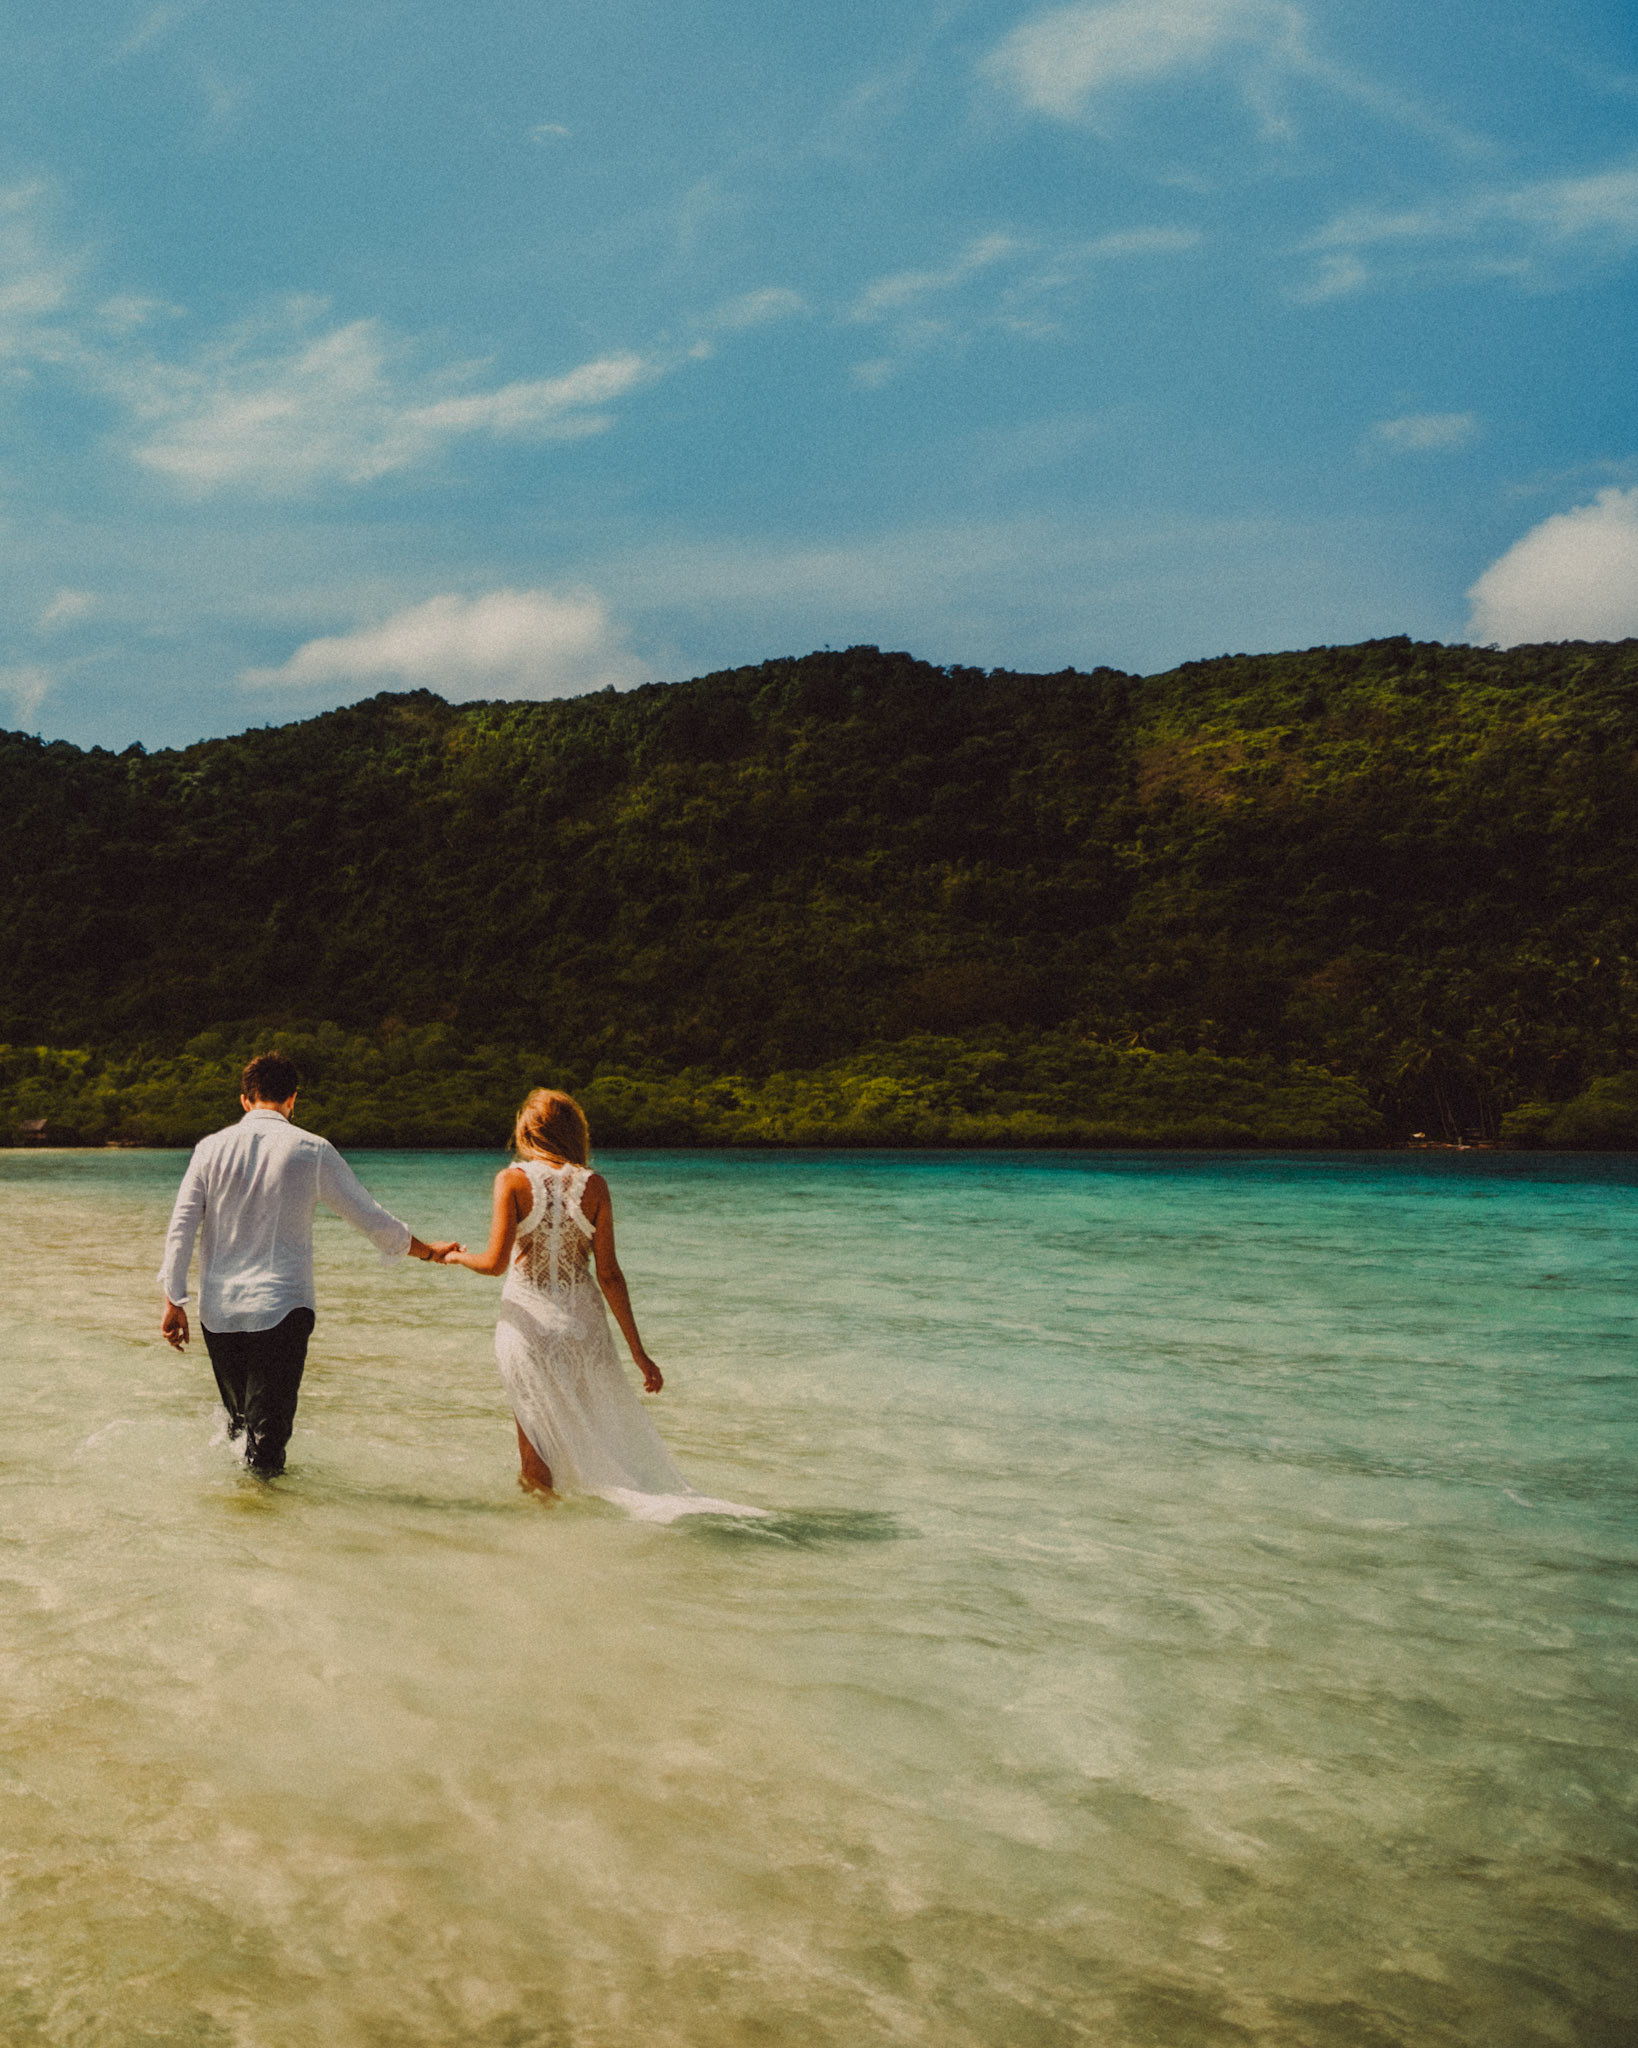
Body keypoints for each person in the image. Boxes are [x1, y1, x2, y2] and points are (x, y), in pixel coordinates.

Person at [441, 1087, 764, 1521]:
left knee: (536, 1447)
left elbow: (495, 1264)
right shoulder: (593, 1185)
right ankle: (586, 1522)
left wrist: (455, 1257)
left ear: (527, 1132)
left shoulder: (512, 1180)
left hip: (530, 1327)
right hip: (584, 1327)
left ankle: (542, 1535)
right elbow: (609, 1274)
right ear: (574, 1133)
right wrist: (639, 1352)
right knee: (592, 1435)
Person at [158, 1051, 459, 1477]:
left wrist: (174, 1299)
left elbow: (182, 1226)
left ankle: (242, 1509)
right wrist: (428, 1251)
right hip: (281, 1308)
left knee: (242, 1431)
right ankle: (265, 1508)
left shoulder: (210, 1149)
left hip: (220, 1312)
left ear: (245, 1099)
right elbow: (369, 1217)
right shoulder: (311, 1149)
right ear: (293, 1098)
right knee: (267, 1442)